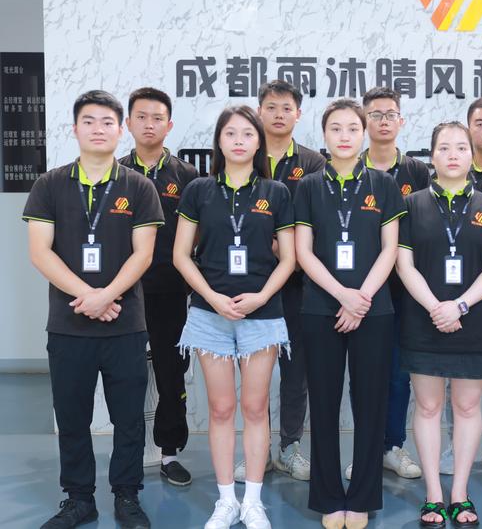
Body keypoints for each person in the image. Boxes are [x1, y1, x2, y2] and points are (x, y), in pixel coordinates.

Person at [24, 90, 164, 529]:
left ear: (120, 130)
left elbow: (143, 254)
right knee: (72, 417)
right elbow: (40, 252)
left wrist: (107, 297)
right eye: (89, 121)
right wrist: (90, 295)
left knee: (128, 418)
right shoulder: (49, 184)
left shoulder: (138, 186)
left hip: (125, 324)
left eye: (107, 122)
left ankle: (127, 495)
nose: (98, 129)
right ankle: (79, 499)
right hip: (68, 325)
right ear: (74, 129)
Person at [173, 105, 295, 529]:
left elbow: (289, 258)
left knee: (255, 407)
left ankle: (253, 502)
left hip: (262, 315)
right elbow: (181, 255)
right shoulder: (199, 190)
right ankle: (226, 500)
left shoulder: (276, 192)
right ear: (219, 141)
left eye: (247, 133)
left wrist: (261, 297)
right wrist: (211, 297)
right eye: (231, 133)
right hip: (210, 315)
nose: (239, 140)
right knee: (222, 408)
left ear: (259, 142)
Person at [293, 98, 405, 529]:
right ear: (324, 135)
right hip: (320, 308)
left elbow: (390, 249)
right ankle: (327, 497)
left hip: (373, 310)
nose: (344, 136)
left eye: (352, 128)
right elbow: (303, 251)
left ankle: (362, 497)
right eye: (335, 129)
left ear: (364, 133)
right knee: (323, 403)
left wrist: (362, 298)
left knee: (370, 404)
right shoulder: (308, 187)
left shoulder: (384, 184)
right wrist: (342, 294)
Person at [397, 121, 482, 528]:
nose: (452, 154)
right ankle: (433, 494)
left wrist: (459, 306)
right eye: (444, 148)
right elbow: (404, 264)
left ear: (471, 154)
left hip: (474, 320)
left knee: (466, 407)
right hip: (423, 318)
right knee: (428, 407)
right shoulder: (411, 205)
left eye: (460, 147)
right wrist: (436, 307)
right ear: (431, 156)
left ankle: (460, 492)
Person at [232, 79, 326, 484]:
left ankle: (290, 447)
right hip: (252, 282)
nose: (278, 115)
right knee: (253, 373)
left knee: (295, 369)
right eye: (270, 107)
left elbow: (320, 219)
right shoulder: (246, 156)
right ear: (259, 111)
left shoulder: (314, 163)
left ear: (298, 114)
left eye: (286, 108)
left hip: (299, 283)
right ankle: (259, 451)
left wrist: (288, 248)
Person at [341, 86, 430, 481]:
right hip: (357, 290)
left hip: (403, 289)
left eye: (390, 114)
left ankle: (391, 447)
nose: (382, 121)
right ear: (364, 121)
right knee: (361, 375)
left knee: (397, 373)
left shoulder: (416, 172)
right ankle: (365, 449)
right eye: (374, 114)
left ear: (401, 121)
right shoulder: (348, 166)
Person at [118, 87, 198, 486]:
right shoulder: (115, 173)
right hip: (123, 294)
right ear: (128, 123)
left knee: (171, 374)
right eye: (141, 117)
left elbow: (198, 237)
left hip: (170, 292)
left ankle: (169, 453)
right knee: (125, 376)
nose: (149, 125)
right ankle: (128, 455)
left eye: (157, 118)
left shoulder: (187, 176)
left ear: (169, 125)